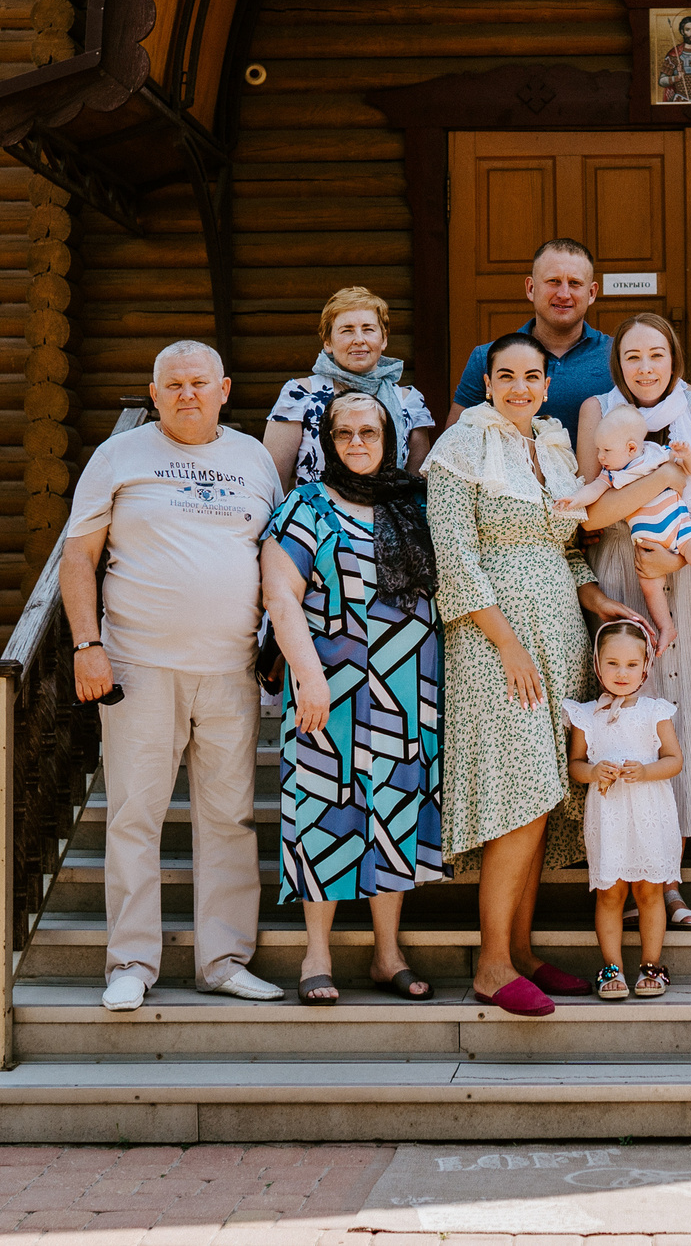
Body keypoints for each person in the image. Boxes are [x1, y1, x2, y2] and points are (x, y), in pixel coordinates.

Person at [61, 340, 285, 1011]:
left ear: (224, 388)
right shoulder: (119, 455)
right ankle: (131, 961)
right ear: (154, 394)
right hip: (138, 661)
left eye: (200, 382)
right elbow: (79, 557)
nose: (188, 393)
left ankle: (223, 959)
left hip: (231, 668)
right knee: (135, 814)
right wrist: (85, 644)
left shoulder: (252, 458)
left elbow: (275, 554)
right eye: (174, 383)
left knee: (230, 818)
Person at [426, 331, 638, 1016]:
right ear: (486, 383)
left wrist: (597, 598)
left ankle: (520, 952)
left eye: (532, 376)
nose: (520, 387)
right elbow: (456, 558)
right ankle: (490, 964)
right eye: (506, 376)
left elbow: (564, 550)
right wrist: (508, 644)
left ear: (548, 385)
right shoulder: (461, 446)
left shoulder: (550, 445)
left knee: (545, 795)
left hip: (560, 637)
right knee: (517, 796)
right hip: (496, 643)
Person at [259, 393, 443, 1005]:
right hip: (327, 689)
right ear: (327, 441)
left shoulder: (415, 503)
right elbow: (281, 595)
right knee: (321, 814)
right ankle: (318, 953)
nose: (358, 443)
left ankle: (387, 953)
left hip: (407, 690)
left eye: (369, 432)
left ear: (389, 438)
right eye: (344, 434)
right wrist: (308, 675)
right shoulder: (305, 505)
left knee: (394, 816)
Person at [576, 313, 691, 930]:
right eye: (634, 357)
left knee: (679, 715)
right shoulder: (599, 408)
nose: (646, 368)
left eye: (657, 356)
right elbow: (594, 513)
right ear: (620, 364)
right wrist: (669, 475)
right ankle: (618, 871)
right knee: (624, 717)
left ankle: (669, 880)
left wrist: (679, 553)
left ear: (674, 359)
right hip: (621, 571)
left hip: (688, 573)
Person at [558, 403, 691, 653]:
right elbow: (592, 492)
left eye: (606, 450)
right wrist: (575, 500)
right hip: (646, 545)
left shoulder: (655, 454)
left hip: (679, 527)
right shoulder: (610, 474)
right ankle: (666, 627)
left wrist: (686, 455)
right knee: (651, 589)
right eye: (599, 450)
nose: (600, 456)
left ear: (631, 447)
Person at [564, 619, 685, 999]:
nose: (621, 672)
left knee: (650, 892)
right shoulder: (586, 715)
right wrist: (595, 771)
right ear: (597, 665)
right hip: (610, 816)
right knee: (610, 893)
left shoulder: (655, 711)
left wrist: (647, 770)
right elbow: (576, 766)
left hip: (649, 813)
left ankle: (652, 964)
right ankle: (611, 968)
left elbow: (674, 761)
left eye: (631, 664)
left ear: (646, 666)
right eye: (612, 663)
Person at [448, 238, 612, 447]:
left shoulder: (618, 356)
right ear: (531, 288)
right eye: (553, 281)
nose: (563, 294)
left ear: (591, 293)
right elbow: (453, 445)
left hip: (599, 480)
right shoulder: (488, 357)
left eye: (575, 283)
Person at [265, 286, 435, 486]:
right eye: (347, 330)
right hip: (315, 515)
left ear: (384, 339)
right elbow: (272, 484)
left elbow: (417, 488)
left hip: (389, 516)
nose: (359, 340)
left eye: (368, 329)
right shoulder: (300, 395)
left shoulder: (409, 402)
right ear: (327, 342)